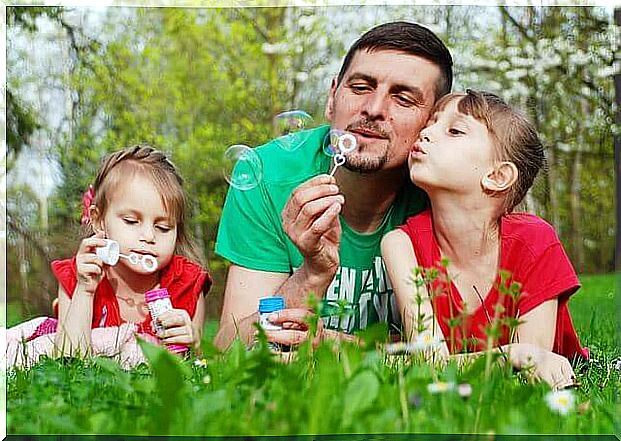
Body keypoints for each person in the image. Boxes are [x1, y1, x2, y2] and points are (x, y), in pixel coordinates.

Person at [214, 21, 453, 349]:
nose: (373, 108)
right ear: (332, 98)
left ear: (432, 123)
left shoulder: (447, 190)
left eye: (403, 98)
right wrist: (311, 274)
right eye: (360, 87)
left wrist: (335, 345)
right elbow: (229, 345)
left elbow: (462, 352)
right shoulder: (266, 174)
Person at [381, 90, 588, 389]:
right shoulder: (400, 244)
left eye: (454, 130)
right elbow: (429, 363)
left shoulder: (535, 241)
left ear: (498, 176)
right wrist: (512, 354)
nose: (425, 132)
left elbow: (533, 370)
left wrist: (522, 357)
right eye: (432, 123)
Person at [6, 145, 211, 369]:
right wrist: (85, 291)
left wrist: (193, 341)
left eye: (163, 227)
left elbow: (195, 365)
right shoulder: (79, 276)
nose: (149, 236)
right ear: (98, 220)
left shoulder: (187, 283)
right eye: (132, 221)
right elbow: (67, 360)